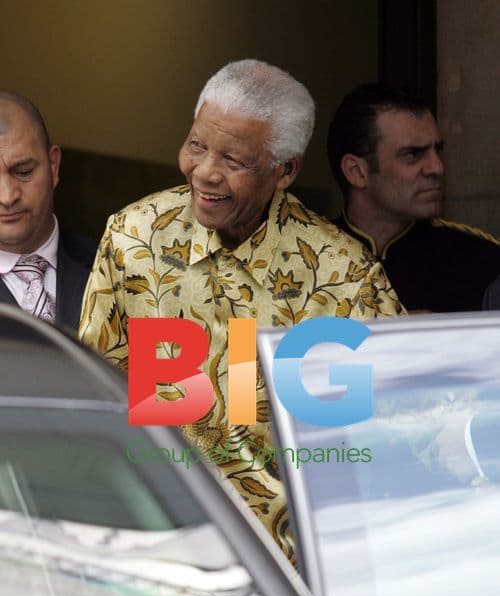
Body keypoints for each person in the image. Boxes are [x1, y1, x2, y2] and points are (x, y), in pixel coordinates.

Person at [79, 59, 404, 563]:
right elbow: (94, 399)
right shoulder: (133, 237)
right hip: (156, 553)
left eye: (233, 160)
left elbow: (385, 443)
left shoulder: (345, 276)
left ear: (285, 170)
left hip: (289, 569)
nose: (205, 172)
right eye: (196, 145)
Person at [327, 83, 500, 312]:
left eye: (437, 150)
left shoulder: (483, 262)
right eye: (413, 154)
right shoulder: (300, 261)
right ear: (357, 172)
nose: (437, 167)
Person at [0, 90, 97, 330]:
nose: (8, 196)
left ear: (53, 166)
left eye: (23, 172)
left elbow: (167, 353)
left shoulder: (125, 270)